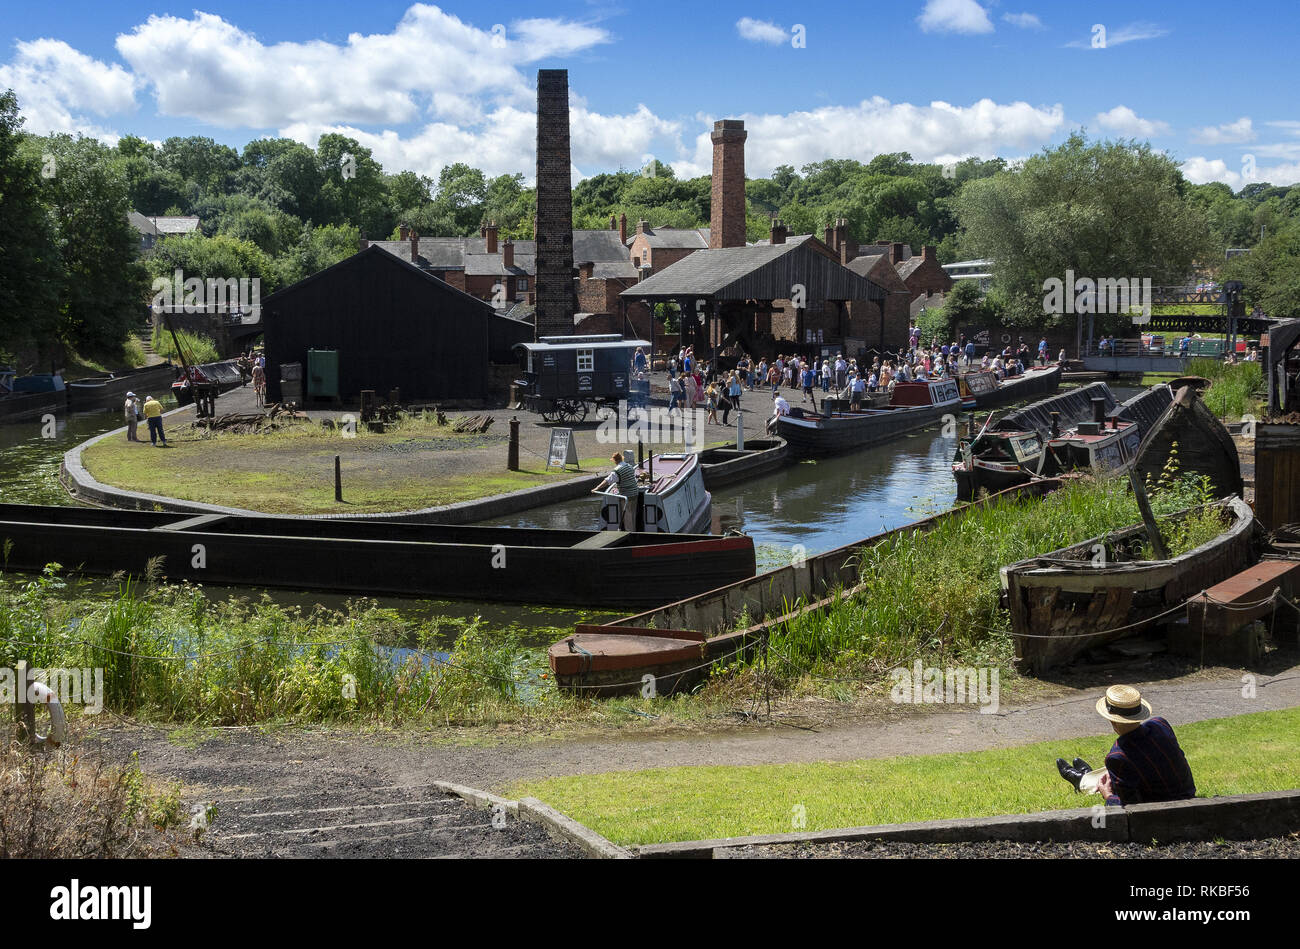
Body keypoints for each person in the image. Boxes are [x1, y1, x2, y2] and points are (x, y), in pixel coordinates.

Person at [1055, 685, 1195, 807]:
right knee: (1126, 767)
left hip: (1161, 811)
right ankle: (1086, 776)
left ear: (1112, 721)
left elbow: (1129, 808)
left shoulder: (1117, 756)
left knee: (1111, 777)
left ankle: (1082, 781)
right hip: (1188, 794)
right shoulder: (1160, 724)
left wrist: (1108, 795)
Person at [599, 451, 640, 531]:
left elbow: (607, 481)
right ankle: (634, 530)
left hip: (626, 495)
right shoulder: (629, 466)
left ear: (615, 461)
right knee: (633, 513)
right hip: (635, 493)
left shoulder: (617, 470)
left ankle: (630, 532)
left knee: (627, 516)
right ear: (621, 458)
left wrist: (597, 487)